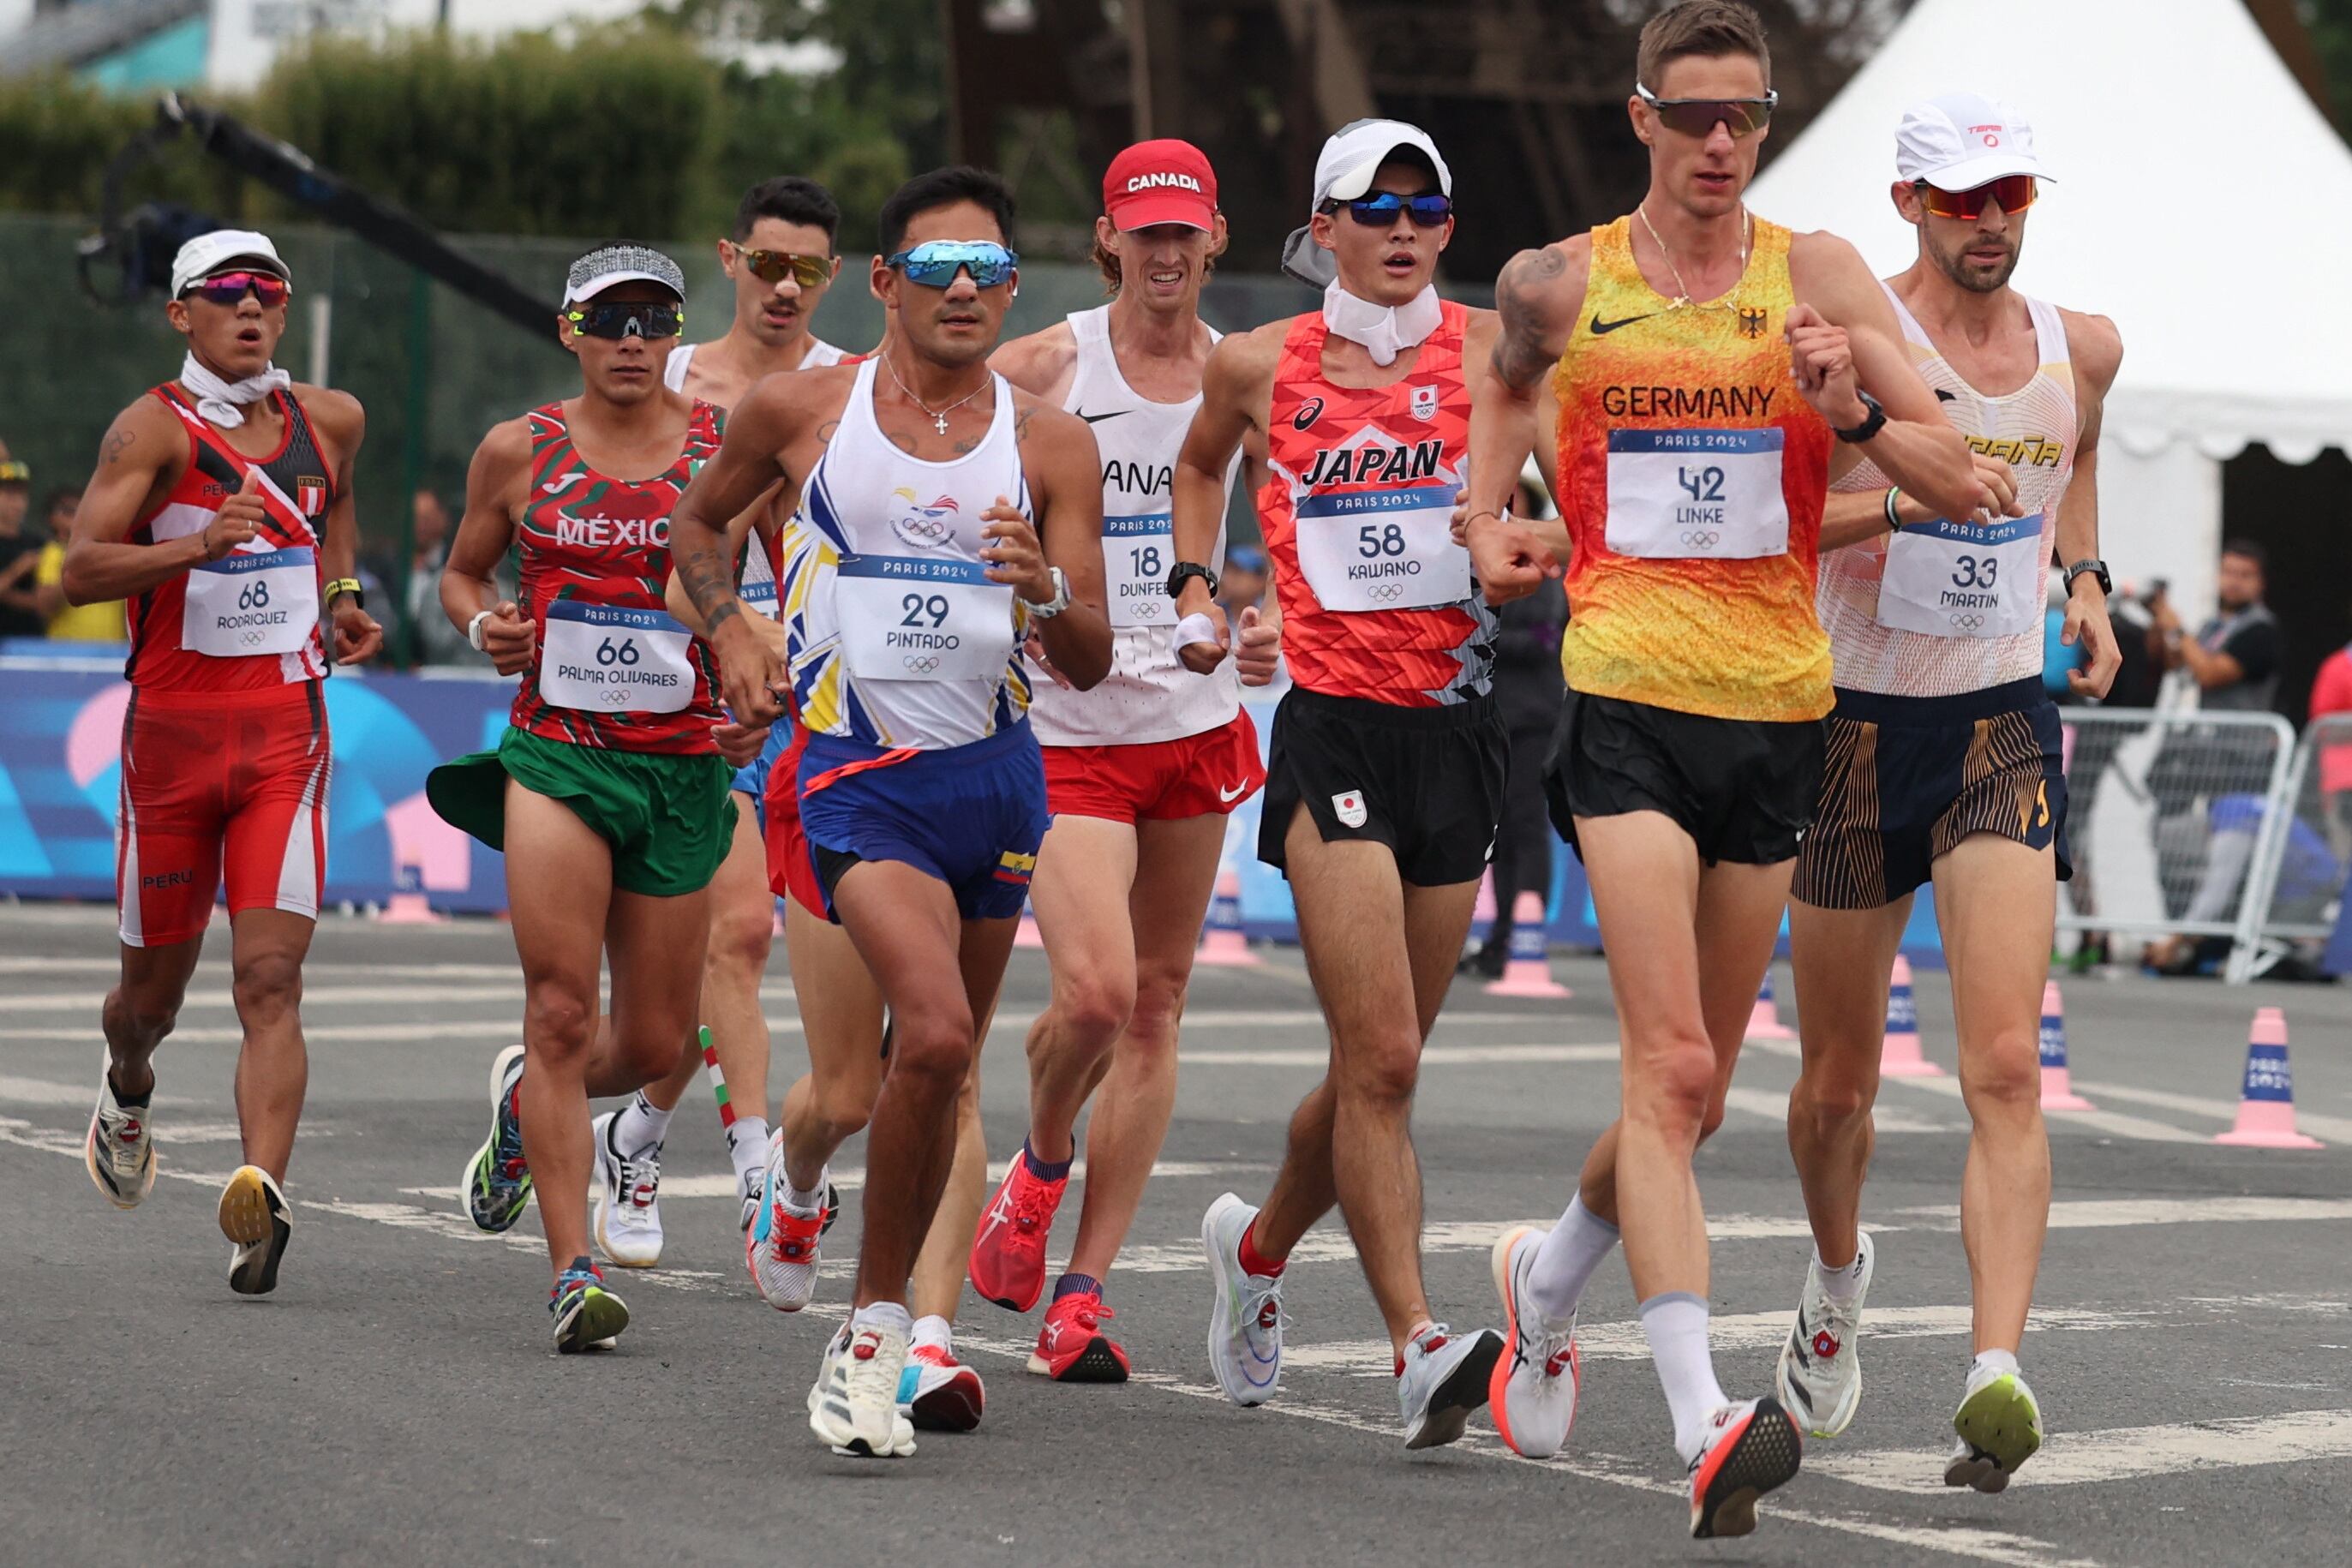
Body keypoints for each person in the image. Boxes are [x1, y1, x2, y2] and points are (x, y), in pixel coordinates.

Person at [1463, 2, 1994, 1535]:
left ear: (1766, 122)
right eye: (1690, 117)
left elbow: (1959, 479)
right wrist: (1485, 518)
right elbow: (1501, 384)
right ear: (1640, 117)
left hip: (1778, 706)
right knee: (1675, 1067)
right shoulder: (1564, 280)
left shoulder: (1813, 276)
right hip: (1623, 685)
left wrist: (1854, 413)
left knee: (1685, 1094)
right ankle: (1704, 1413)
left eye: (1743, 119)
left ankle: (1545, 1279)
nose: (1717, 145)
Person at [667, 165, 1111, 1456]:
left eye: (985, 270)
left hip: (997, 776)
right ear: (883, 284)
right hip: (854, 774)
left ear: (1014, 289)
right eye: (934, 268)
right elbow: (692, 532)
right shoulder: (805, 407)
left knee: (924, 1070)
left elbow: (1086, 658)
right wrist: (734, 623)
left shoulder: (1050, 442)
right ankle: (878, 1336)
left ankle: (806, 1190)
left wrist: (1045, 590)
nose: (961, 290)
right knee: (928, 1037)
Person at [1770, 92, 2122, 1493]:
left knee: (2001, 1067)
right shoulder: (1859, 339)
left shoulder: (2083, 346)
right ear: (1912, 205)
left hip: (1995, 727)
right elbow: (1800, 509)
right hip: (1852, 729)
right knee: (1836, 1088)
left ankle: (1995, 1372)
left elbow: (2073, 457)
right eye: (1964, 200)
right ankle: (1837, 1272)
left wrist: (2084, 584)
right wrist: (1913, 493)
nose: (1991, 223)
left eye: (2012, 197)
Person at [1172, 117, 1519, 1452]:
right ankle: (1416, 1343)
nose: (1400, 227)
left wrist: (1532, 534)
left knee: (1385, 1064)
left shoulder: (1494, 350)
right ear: (1321, 229)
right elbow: (1200, 467)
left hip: (1459, 730)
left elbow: (1572, 480)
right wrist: (1198, 580)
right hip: (1333, 731)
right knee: (1379, 1054)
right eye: (1369, 209)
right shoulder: (1260, 362)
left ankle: (1254, 1252)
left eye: (1423, 204)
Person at [972, 140, 1278, 1381]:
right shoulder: (1043, 365)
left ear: (1214, 239)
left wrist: (1259, 623)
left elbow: (1279, 534)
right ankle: (1038, 1164)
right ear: (1108, 239)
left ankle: (1083, 1291)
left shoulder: (1242, 376)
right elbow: (943, 485)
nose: (1164, 253)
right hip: (1064, 724)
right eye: (1141, 232)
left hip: (1192, 722)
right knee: (1093, 996)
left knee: (1157, 1002)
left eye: (1184, 232)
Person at [431, 243, 764, 1351]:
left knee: (658, 1035)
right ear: (570, 330)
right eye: (609, 318)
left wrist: (758, 678)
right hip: (557, 760)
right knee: (565, 1007)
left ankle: (528, 1102)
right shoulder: (516, 451)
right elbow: (463, 572)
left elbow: (772, 591)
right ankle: (574, 1270)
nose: (631, 339)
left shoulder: (726, 455)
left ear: (677, 333)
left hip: (680, 769)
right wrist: (485, 624)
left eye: (653, 318)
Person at [63, 228, 381, 1294]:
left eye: (269, 292)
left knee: (271, 979)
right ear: (181, 313)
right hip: (171, 748)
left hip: (286, 740)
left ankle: (260, 1198)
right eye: (226, 293)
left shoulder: (330, 419)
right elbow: (79, 570)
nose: (251, 308)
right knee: (146, 999)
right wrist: (195, 545)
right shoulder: (149, 430)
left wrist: (342, 602)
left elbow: (330, 525)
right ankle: (128, 1083)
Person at [607, 176, 853, 1268]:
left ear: (834, 277)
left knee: (733, 946)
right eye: (766, 264)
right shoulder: (662, 375)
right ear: (728, 260)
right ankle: (722, 1160)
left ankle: (648, 1137)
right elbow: (610, 520)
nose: (784, 286)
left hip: (807, 702)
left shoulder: (851, 389)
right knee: (707, 958)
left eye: (807, 269)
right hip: (665, 693)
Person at [1461, 471, 1567, 979]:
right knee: (1496, 830)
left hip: (1532, 715)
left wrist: (1480, 636)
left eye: (1513, 494)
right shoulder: (1476, 558)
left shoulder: (1544, 560)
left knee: (1526, 826)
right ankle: (1502, 935)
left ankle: (1523, 936)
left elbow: (1546, 635)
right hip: (1491, 712)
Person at [2153, 542, 2280, 713]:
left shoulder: (2261, 630)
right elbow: (2178, 665)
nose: (2234, 582)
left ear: (2261, 582)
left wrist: (2177, 629)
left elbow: (2209, 674)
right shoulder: (2211, 626)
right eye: (2228, 572)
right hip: (2209, 733)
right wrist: (2159, 619)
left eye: (2245, 575)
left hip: (2243, 735)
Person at [0, 448, 42, 639]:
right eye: (9, 494)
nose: (17, 503)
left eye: (21, 495)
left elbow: (45, 602)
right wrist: (18, 570)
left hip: (30, 644)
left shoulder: (37, 543)